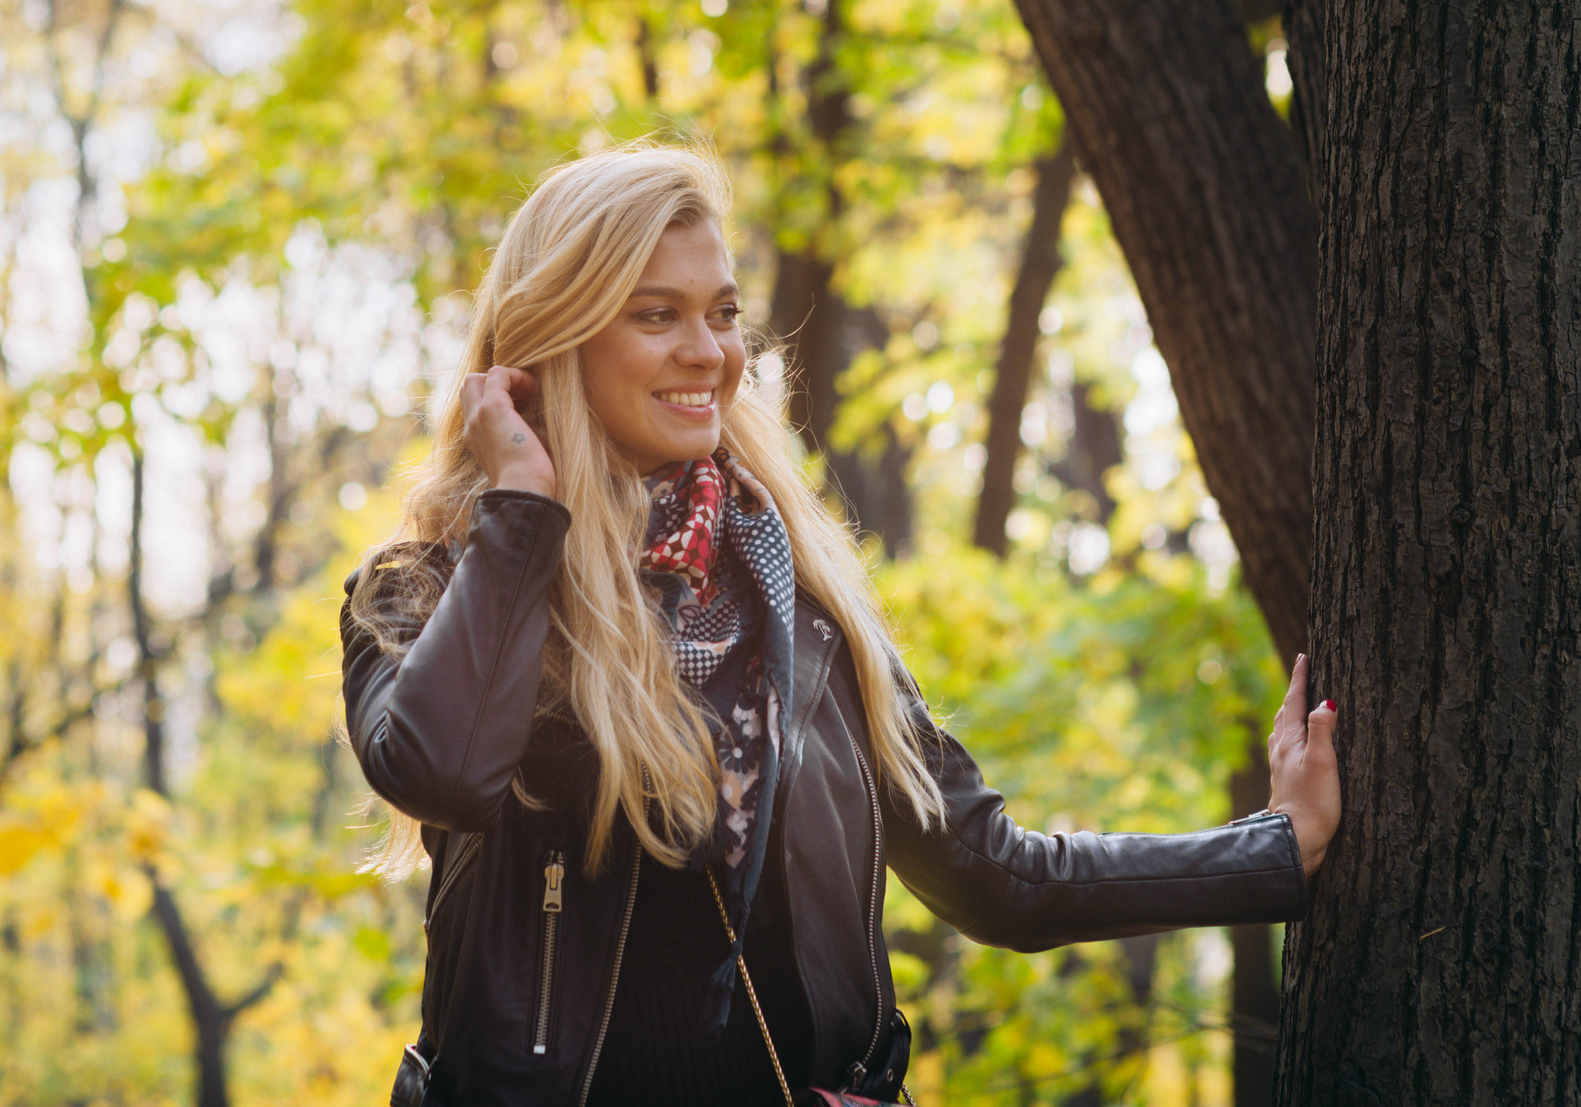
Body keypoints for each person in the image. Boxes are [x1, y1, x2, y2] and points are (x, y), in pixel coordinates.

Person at [342, 143, 1339, 1107]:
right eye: (656, 314)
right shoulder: (428, 585)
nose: (709, 350)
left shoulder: (799, 597)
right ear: (553, 338)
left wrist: (1274, 849)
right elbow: (441, 772)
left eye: (722, 312)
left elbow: (993, 874)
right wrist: (523, 508)